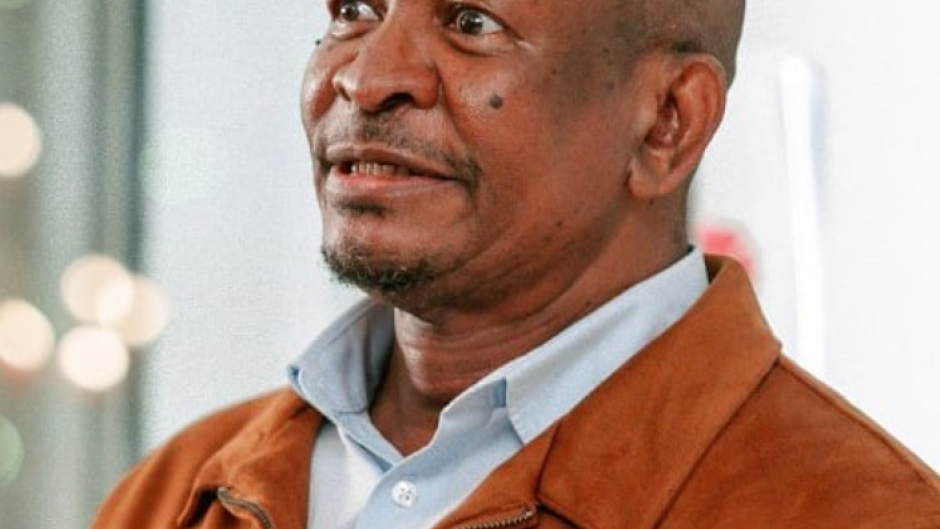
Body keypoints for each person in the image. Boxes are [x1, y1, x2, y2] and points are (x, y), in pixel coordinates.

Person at [92, 0, 940, 527]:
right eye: (353, 9)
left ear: (667, 121)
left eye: (472, 23)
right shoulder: (178, 491)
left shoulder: (856, 511)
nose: (369, 76)